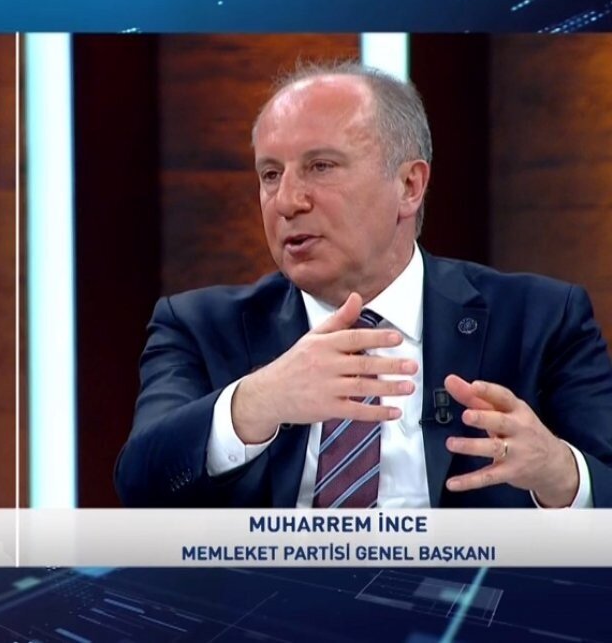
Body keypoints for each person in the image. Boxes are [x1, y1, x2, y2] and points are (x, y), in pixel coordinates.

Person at [115, 62, 612, 508]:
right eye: (270, 174)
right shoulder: (198, 326)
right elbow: (139, 484)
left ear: (409, 186)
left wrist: (561, 473)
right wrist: (255, 402)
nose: (286, 201)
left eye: (321, 167)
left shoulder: (541, 319)